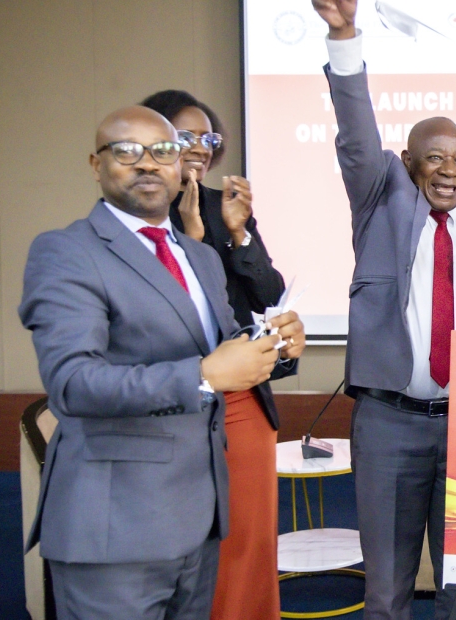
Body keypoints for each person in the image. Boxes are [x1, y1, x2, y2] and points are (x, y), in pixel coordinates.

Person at [18, 105, 305, 620]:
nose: (148, 163)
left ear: (183, 167)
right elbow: (73, 384)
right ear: (95, 164)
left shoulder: (199, 257)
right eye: (127, 151)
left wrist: (274, 346)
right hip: (115, 529)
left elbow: (221, 348)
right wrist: (201, 376)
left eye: (164, 151)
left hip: (199, 520)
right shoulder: (66, 252)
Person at [310, 0, 456, 620]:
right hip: (390, 423)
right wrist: (344, 36)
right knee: (388, 592)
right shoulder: (381, 202)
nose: (450, 170)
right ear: (410, 162)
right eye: (436, 158)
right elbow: (357, 134)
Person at [142, 89, 288, 620]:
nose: (200, 148)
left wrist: (239, 232)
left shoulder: (222, 205)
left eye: (209, 138)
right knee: (187, 552)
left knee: (248, 542)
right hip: (175, 404)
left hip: (244, 405)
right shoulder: (135, 217)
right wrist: (196, 244)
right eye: (185, 137)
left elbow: (268, 295)